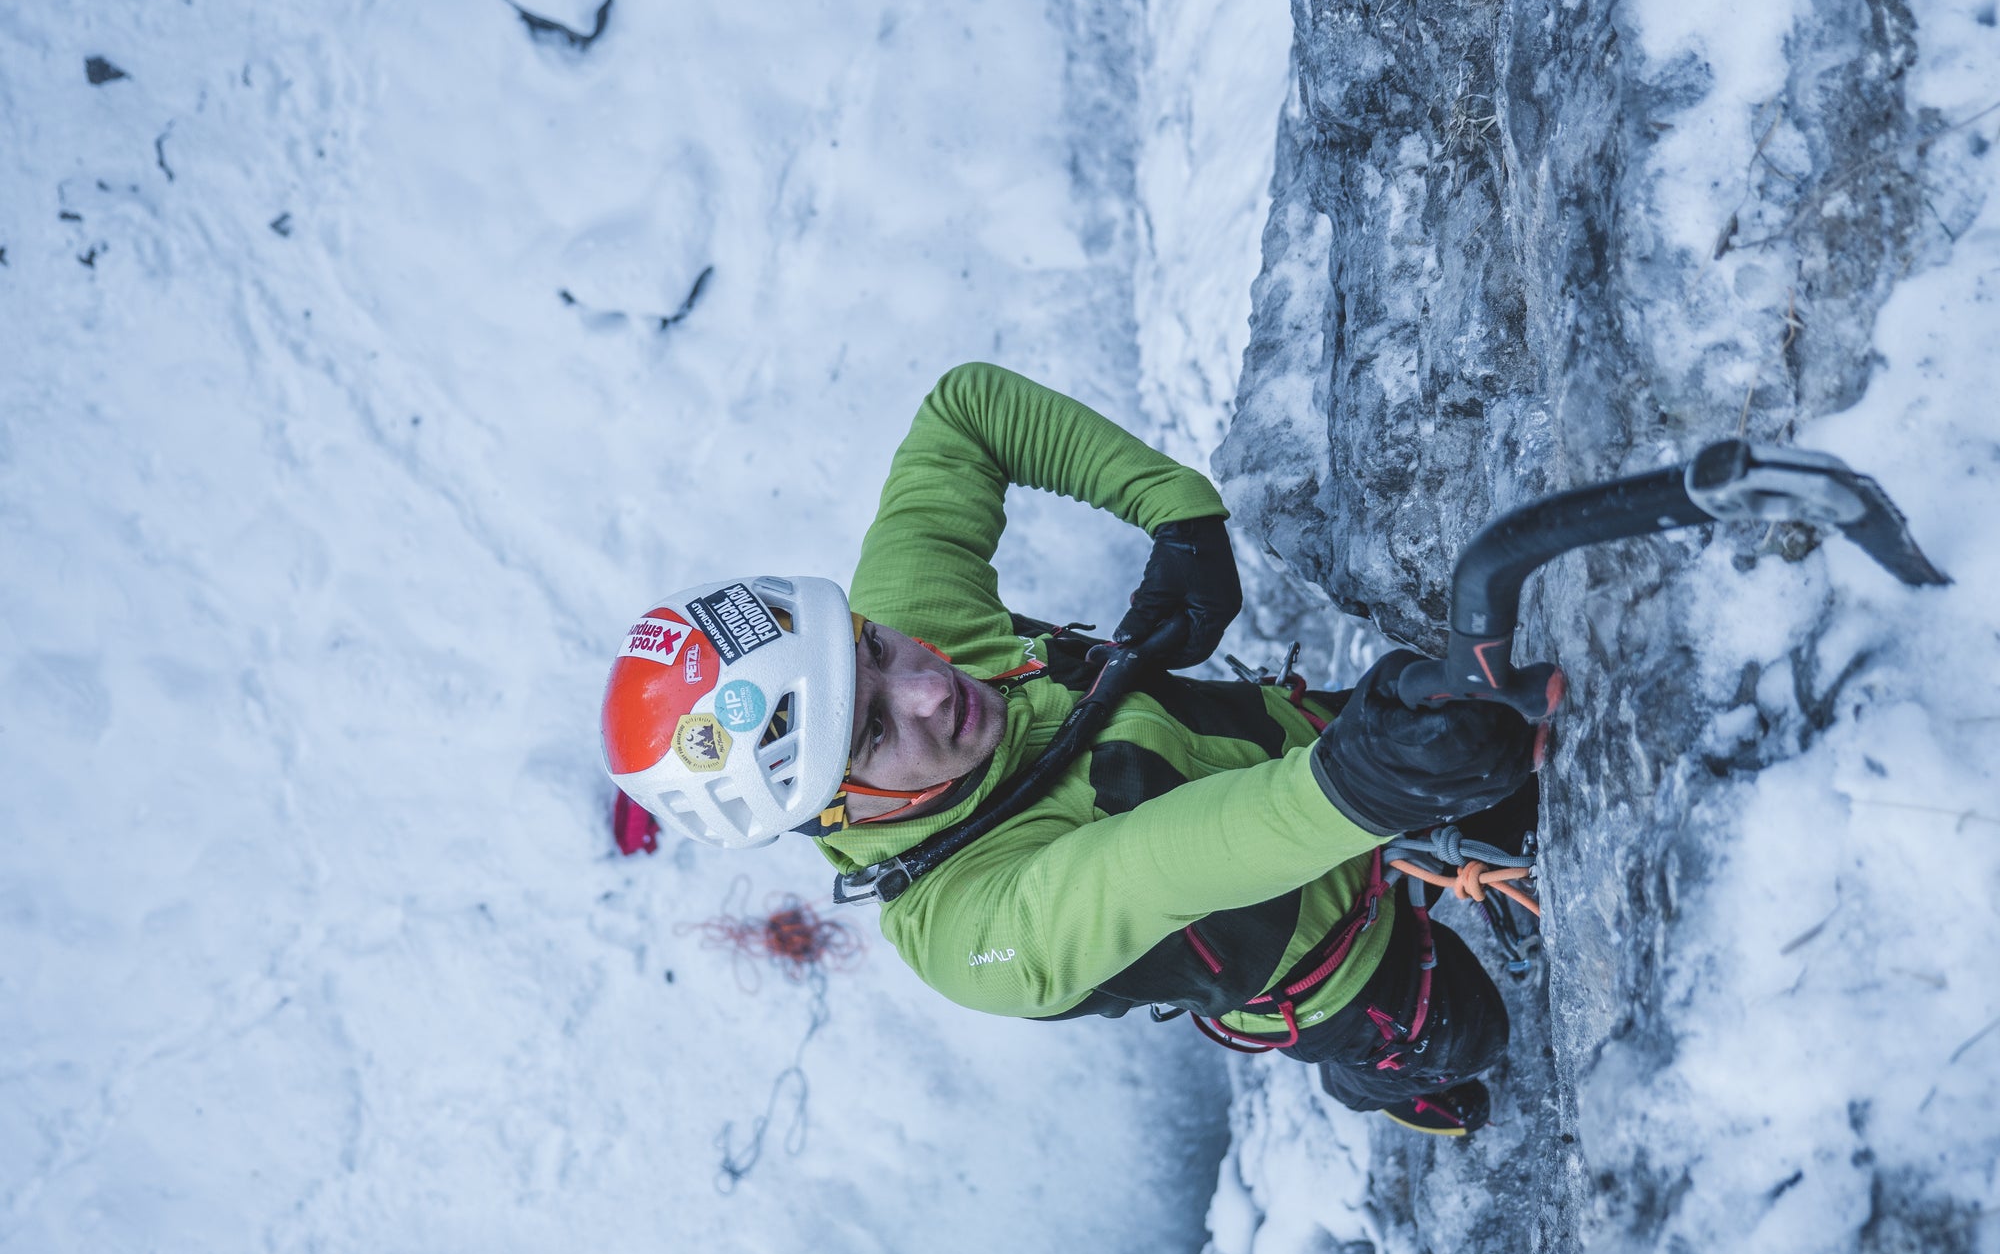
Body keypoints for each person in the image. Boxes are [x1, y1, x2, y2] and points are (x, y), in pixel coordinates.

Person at [601, 363, 1535, 1134]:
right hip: (1330, 956)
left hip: (1316, 752)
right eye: (875, 731)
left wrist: (1175, 512)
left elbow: (964, 415)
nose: (931, 684)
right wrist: (1360, 788)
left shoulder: (915, 625)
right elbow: (1154, 866)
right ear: (833, 813)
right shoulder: (963, 930)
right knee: (1466, 1034)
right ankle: (1381, 1078)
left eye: (873, 648)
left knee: (1512, 764)